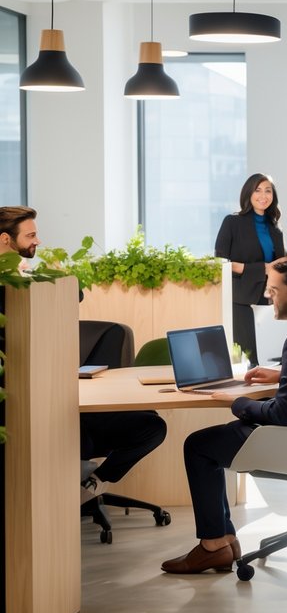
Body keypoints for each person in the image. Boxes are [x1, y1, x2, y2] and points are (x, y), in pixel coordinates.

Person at [162, 258, 287, 574]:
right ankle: (225, 539)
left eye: (273, 290)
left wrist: (236, 401)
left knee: (198, 446)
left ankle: (214, 546)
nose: (268, 296)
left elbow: (281, 414)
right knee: (220, 438)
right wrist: (282, 375)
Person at [0, 206, 166, 505]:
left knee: (149, 423)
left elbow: (74, 294)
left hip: (60, 402)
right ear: (5, 241)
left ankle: (92, 485)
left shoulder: (25, 281)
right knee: (148, 426)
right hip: (35, 414)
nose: (37, 240)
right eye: (31, 235)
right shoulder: (11, 293)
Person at [215, 173, 287, 365]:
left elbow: (280, 263)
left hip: (268, 299)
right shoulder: (232, 222)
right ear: (248, 193)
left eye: (268, 191)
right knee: (248, 360)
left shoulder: (275, 228)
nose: (263, 195)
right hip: (240, 299)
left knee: (272, 359)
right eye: (258, 190)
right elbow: (221, 263)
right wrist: (261, 269)